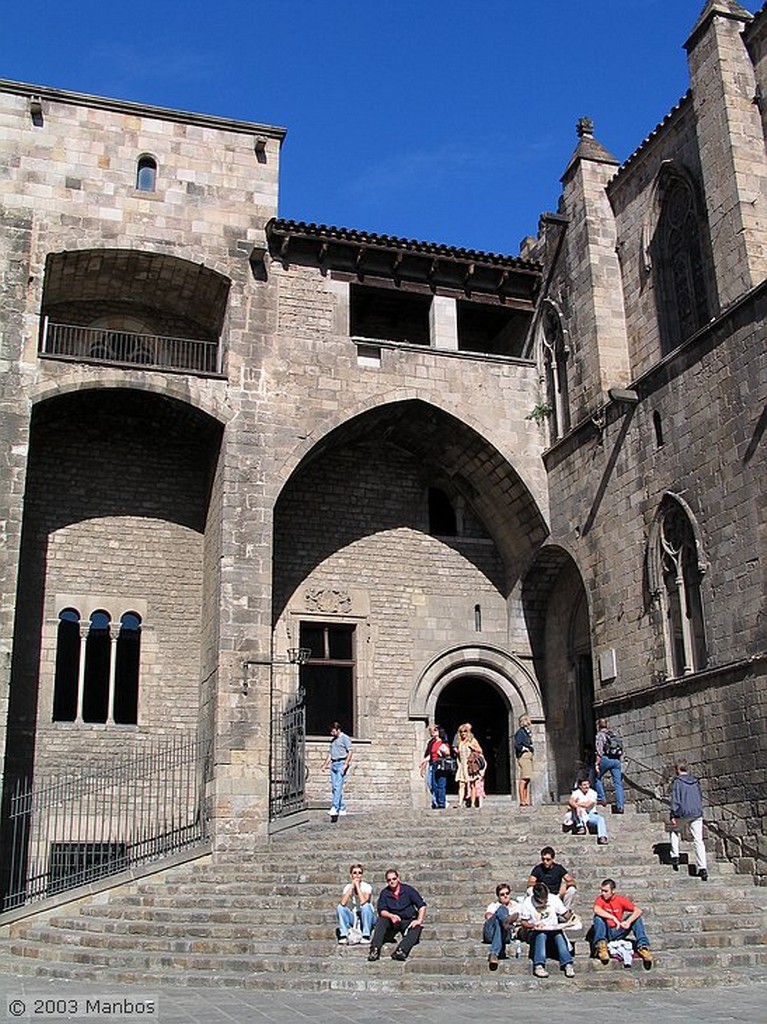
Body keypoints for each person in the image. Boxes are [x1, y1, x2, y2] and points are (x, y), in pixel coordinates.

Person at [592, 878, 653, 970]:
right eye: (602, 891)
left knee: (637, 919)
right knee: (598, 918)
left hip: (618, 930)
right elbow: (596, 909)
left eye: (606, 891)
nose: (603, 893)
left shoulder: (620, 899)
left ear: (613, 891)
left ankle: (643, 947)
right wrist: (612, 917)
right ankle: (601, 946)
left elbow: (638, 910)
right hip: (606, 931)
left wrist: (628, 922)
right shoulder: (600, 899)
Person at [518, 882, 575, 979]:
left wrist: (571, 918)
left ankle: (567, 963)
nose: (545, 902)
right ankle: (539, 965)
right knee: (541, 934)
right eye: (541, 901)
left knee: (559, 935)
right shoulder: (528, 902)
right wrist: (533, 926)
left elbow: (566, 915)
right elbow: (523, 922)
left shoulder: (554, 899)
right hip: (535, 931)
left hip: (552, 929)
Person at [367, 869, 426, 962]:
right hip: (392, 921)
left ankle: (401, 950)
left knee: (417, 927)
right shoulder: (385, 893)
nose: (392, 881)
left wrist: (419, 920)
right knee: (381, 920)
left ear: (398, 879)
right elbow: (381, 910)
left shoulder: (408, 890)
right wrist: (391, 916)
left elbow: (421, 905)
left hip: (407, 920)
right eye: (389, 880)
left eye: (394, 879)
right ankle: (375, 950)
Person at [669, 759, 708, 881]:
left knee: (674, 830)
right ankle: (702, 868)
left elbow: (676, 799)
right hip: (696, 812)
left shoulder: (677, 782)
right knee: (698, 840)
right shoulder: (695, 781)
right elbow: (700, 796)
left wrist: (673, 814)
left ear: (677, 769)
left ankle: (675, 855)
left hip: (683, 813)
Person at [482, 883, 521, 970]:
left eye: (507, 893)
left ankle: (494, 954)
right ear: (498, 896)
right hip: (491, 933)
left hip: (506, 934)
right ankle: (505, 921)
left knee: (499, 922)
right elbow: (488, 916)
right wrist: (504, 917)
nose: (505, 896)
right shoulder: (493, 905)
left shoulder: (516, 906)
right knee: (501, 910)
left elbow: (521, 920)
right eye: (502, 895)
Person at [526, 847, 577, 912]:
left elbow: (571, 881)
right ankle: (536, 910)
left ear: (552, 859)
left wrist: (566, 885)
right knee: (530, 890)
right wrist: (539, 886)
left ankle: (565, 910)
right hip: (542, 895)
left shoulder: (558, 868)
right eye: (543, 859)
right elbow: (530, 882)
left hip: (556, 895)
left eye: (548, 859)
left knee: (571, 890)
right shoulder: (538, 869)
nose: (545, 862)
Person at [335, 863, 376, 943]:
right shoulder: (347, 887)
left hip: (367, 916)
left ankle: (366, 935)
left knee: (366, 907)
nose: (357, 875)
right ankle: (344, 934)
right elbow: (343, 903)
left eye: (359, 873)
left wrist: (357, 886)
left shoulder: (367, 887)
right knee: (340, 908)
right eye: (355, 873)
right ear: (351, 875)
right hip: (354, 916)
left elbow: (364, 902)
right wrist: (351, 887)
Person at [594, 717, 624, 813]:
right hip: (616, 760)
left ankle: (601, 798)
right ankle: (620, 805)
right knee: (618, 783)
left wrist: (597, 764)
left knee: (596, 777)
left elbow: (599, 751)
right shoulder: (613, 734)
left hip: (606, 759)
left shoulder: (599, 735)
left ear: (598, 726)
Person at [322, 722, 352, 818]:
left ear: (338, 729)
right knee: (335, 788)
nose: (332, 733)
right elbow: (330, 754)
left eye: (333, 731)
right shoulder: (333, 741)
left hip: (341, 763)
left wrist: (346, 764)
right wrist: (325, 765)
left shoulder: (345, 738)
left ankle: (335, 807)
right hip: (334, 764)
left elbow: (350, 751)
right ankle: (342, 807)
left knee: (338, 786)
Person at [567, 778, 609, 845]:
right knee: (577, 809)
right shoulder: (576, 792)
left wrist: (577, 804)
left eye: (587, 784)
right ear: (580, 786)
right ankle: (580, 826)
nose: (586, 786)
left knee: (600, 819)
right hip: (580, 814)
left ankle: (602, 836)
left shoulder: (593, 793)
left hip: (590, 815)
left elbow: (587, 805)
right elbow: (570, 801)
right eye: (584, 785)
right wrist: (577, 807)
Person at [419, 724, 450, 810]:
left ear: (439, 731)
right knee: (432, 784)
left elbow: (448, 753)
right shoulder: (432, 742)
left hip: (441, 764)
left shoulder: (443, 742)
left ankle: (441, 803)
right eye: (431, 731)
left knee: (441, 784)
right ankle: (437, 801)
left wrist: (444, 751)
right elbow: (430, 754)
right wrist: (424, 762)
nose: (432, 732)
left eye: (435, 730)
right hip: (433, 765)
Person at [455, 723, 483, 808]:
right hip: (462, 765)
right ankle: (460, 803)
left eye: (465, 731)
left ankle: (473, 803)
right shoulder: (460, 742)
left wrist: (473, 748)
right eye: (461, 732)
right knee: (461, 784)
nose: (463, 733)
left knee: (472, 784)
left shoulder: (472, 740)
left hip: (470, 765)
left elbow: (480, 751)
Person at [514, 714, 534, 807]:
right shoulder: (520, 732)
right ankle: (522, 800)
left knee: (527, 779)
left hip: (528, 757)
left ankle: (526, 800)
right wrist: (524, 749)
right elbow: (517, 745)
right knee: (524, 779)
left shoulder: (527, 732)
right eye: (529, 719)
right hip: (524, 757)